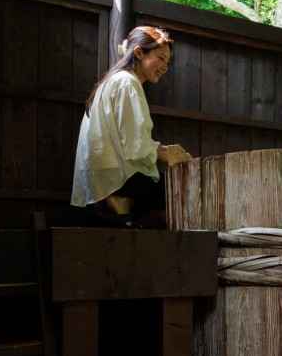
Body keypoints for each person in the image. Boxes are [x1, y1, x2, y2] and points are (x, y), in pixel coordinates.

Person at [70, 24, 191, 225]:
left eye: (167, 62)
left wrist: (163, 151)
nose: (164, 67)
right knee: (183, 191)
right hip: (116, 182)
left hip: (100, 179)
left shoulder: (113, 82)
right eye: (160, 58)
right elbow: (136, 146)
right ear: (139, 52)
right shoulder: (127, 83)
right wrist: (166, 153)